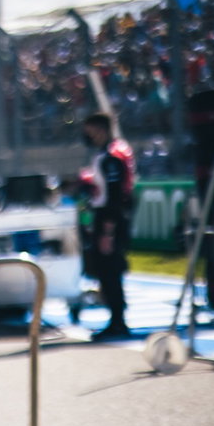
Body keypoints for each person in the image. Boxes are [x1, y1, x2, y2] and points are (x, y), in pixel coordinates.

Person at [82, 111, 135, 340]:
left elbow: (115, 196)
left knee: (110, 270)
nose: (88, 136)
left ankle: (118, 322)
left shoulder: (112, 156)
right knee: (105, 270)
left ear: (100, 130)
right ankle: (115, 320)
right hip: (105, 216)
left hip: (110, 219)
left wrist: (107, 231)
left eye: (91, 131)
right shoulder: (105, 153)